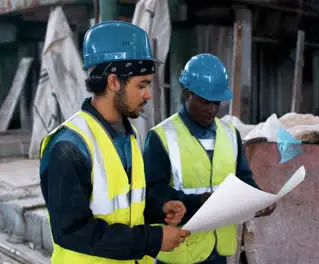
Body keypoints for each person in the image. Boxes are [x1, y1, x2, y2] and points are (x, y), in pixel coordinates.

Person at [39, 21, 190, 264]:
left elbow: (125, 202)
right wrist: (152, 239)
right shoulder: (69, 146)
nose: (148, 94)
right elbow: (72, 231)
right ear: (113, 82)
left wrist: (159, 207)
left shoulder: (130, 136)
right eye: (142, 85)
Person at [143, 53, 276, 264]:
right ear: (187, 94)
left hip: (218, 251)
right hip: (180, 253)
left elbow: (243, 178)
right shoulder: (161, 137)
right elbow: (152, 193)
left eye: (217, 103)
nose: (212, 110)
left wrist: (257, 200)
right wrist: (198, 202)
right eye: (205, 102)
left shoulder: (231, 134)